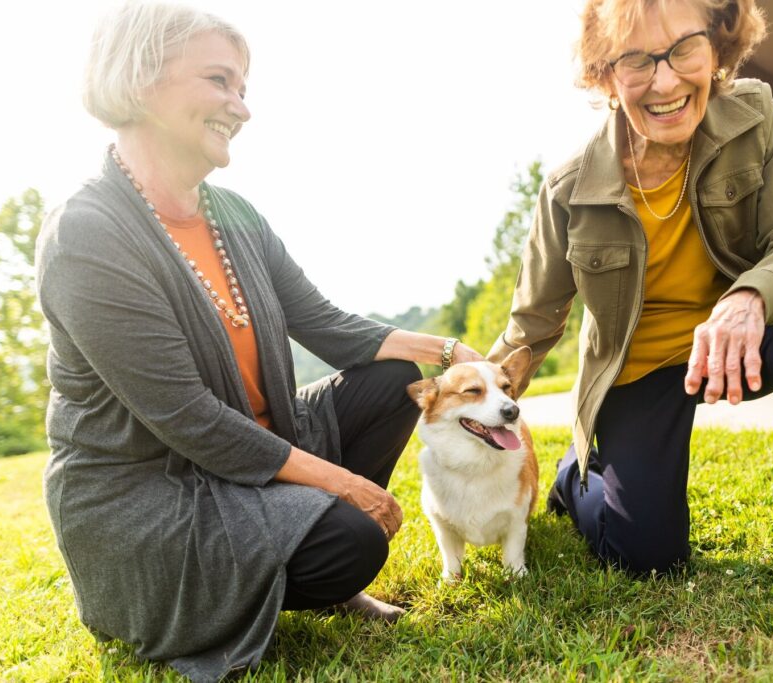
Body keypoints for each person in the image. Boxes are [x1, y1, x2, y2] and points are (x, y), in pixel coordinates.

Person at [36, 3, 481, 680]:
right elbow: (189, 418)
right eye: (219, 81)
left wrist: (446, 351)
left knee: (398, 376)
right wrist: (346, 486)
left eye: (243, 88)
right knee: (351, 540)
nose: (240, 108)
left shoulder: (234, 214)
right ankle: (310, 565)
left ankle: (308, 548)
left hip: (248, 448)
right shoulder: (88, 234)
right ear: (140, 80)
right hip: (150, 494)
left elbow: (328, 324)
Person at [488, 0, 773, 612]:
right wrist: (471, 393)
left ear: (719, 46)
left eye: (684, 48)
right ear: (604, 75)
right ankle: (576, 479)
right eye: (636, 60)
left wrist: (749, 296)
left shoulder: (754, 117)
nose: (667, 80)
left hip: (741, 341)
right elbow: (535, 319)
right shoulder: (569, 187)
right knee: (646, 556)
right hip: (640, 370)